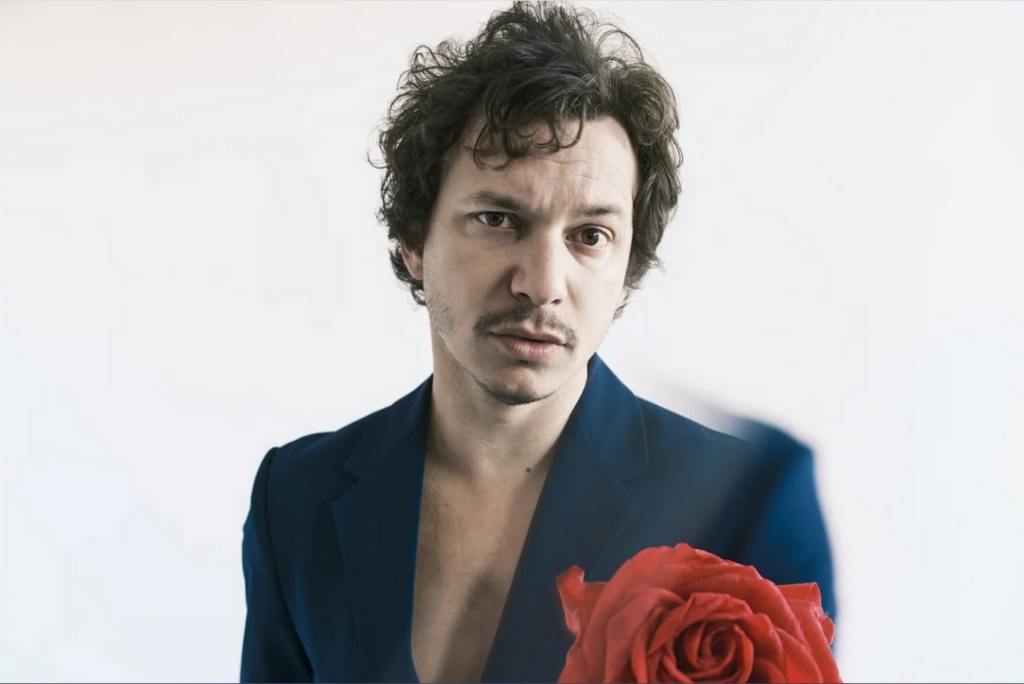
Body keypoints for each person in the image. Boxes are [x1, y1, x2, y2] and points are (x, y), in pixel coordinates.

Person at [240, 3, 836, 682]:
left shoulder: (744, 505)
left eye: (590, 236)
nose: (542, 284)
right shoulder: (295, 497)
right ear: (413, 240)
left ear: (627, 268)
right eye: (498, 219)